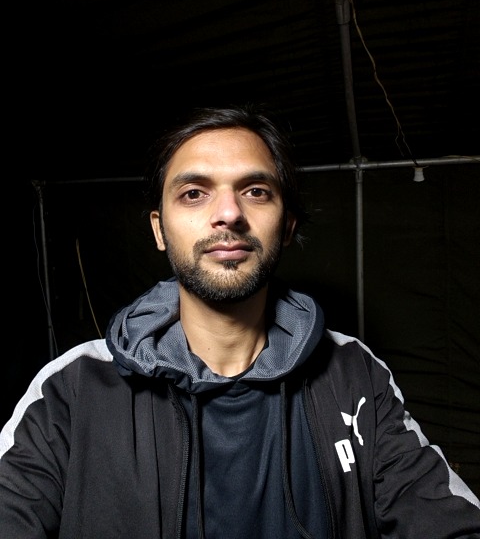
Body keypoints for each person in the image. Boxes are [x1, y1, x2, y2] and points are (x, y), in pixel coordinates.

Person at [2, 105, 480, 539]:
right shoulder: (72, 387)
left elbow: (445, 518)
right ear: (159, 230)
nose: (228, 214)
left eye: (255, 191)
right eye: (194, 193)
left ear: (287, 226)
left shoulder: (354, 371)